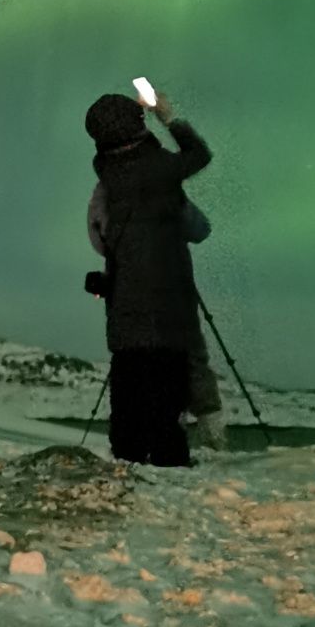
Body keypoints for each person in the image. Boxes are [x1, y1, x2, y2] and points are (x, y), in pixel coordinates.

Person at [84, 87, 212, 467]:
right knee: (166, 411)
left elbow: (98, 238)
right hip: (170, 314)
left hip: (125, 318)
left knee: (128, 408)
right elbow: (199, 155)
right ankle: (171, 469)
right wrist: (166, 115)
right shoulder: (160, 171)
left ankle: (127, 467)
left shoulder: (107, 180)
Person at [89, 179, 227, 451]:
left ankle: (140, 443)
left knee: (136, 362)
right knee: (189, 358)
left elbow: (99, 239)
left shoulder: (106, 191)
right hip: (172, 295)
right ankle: (206, 435)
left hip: (129, 298)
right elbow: (200, 229)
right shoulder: (162, 187)